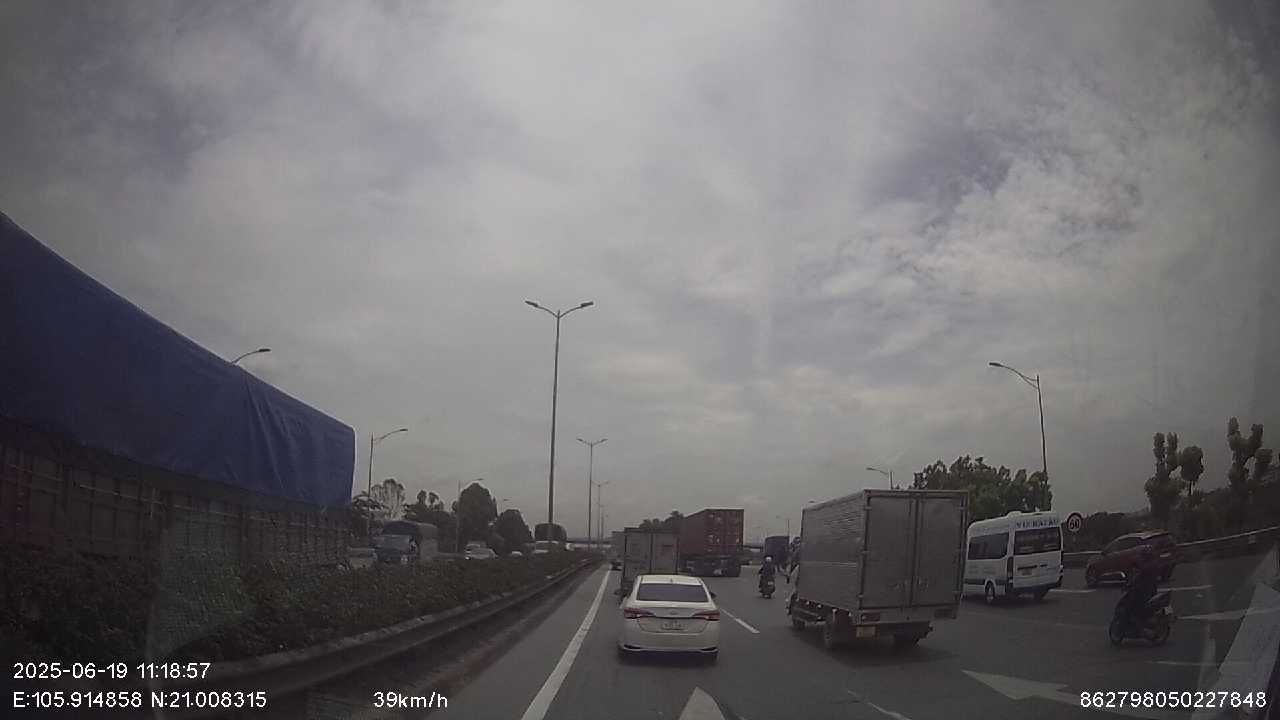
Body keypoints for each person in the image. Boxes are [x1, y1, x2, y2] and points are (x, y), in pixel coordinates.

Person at [1123, 545, 1161, 626]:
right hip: (1150, 590)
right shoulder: (1153, 564)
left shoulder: (1146, 567)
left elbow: (1138, 577)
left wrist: (1129, 585)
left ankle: (1138, 621)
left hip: (1144, 591)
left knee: (1134, 603)